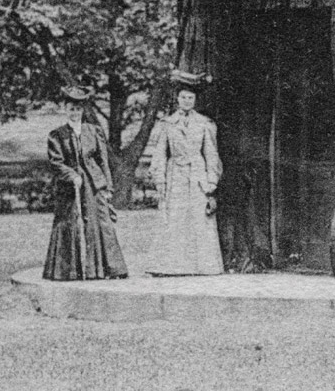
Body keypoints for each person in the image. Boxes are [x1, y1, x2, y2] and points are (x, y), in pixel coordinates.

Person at [42, 84, 128, 282]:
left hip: (94, 184)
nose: (75, 113)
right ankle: (71, 270)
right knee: (70, 222)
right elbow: (56, 162)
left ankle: (110, 268)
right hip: (71, 186)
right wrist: (72, 175)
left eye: (78, 109)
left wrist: (107, 186)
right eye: (71, 109)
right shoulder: (57, 135)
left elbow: (103, 161)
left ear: (83, 110)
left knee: (101, 221)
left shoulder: (94, 131)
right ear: (65, 110)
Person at [146, 71, 225, 276]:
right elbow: (160, 154)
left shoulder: (204, 124)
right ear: (177, 99)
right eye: (183, 97)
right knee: (175, 219)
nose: (187, 101)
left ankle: (203, 266)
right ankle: (170, 266)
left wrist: (211, 181)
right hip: (176, 175)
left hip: (197, 175)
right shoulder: (168, 124)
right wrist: (160, 180)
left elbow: (211, 154)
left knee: (199, 219)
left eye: (191, 98)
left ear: (195, 100)